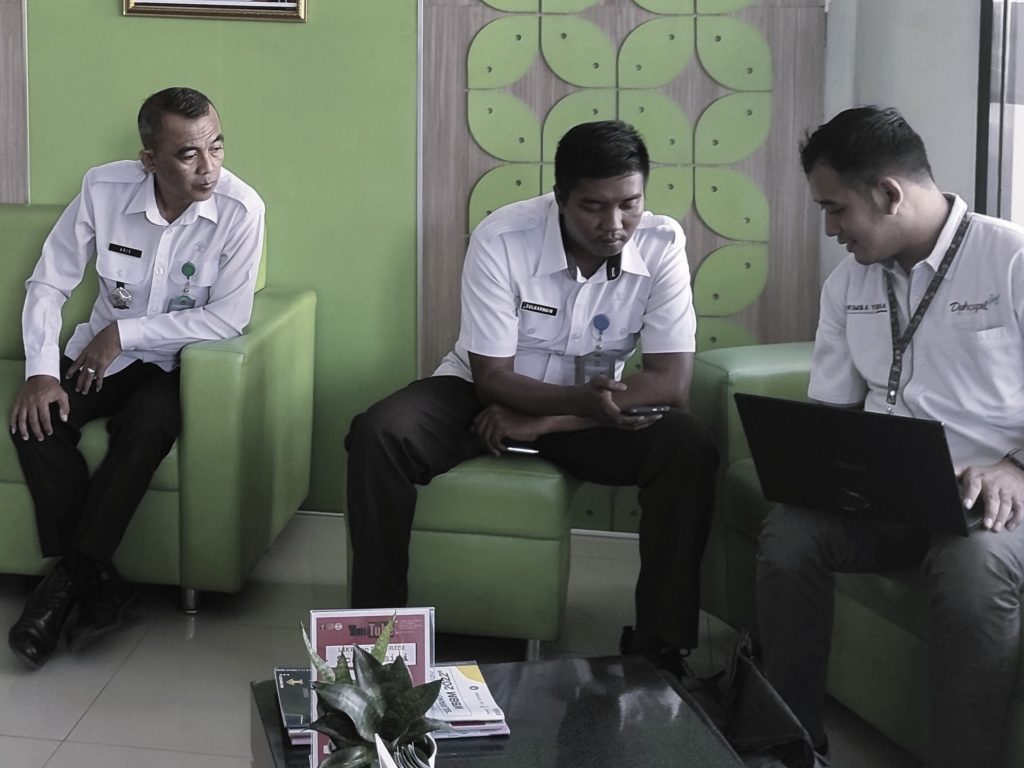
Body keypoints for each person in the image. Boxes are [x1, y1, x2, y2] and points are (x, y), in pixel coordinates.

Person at [345, 120, 718, 674]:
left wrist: (553, 421)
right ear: (560, 197)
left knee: (689, 444)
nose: (614, 224)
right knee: (381, 432)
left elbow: (671, 382)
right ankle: (378, 645)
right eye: (593, 207)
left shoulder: (662, 244)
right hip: (483, 396)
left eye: (629, 204)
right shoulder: (503, 237)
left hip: (587, 407)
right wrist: (571, 405)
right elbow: (490, 377)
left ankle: (659, 650)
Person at [756, 106, 1024, 767]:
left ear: (888, 193)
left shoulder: (1012, 260)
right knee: (790, 534)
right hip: (886, 494)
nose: (830, 229)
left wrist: (1016, 466)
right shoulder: (848, 282)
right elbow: (832, 411)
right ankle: (789, 743)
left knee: (972, 575)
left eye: (835, 208)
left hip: (990, 500)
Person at [7, 86, 266, 668]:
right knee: (36, 422)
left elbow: (228, 317)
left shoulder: (241, 210)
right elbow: (50, 281)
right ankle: (99, 583)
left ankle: (63, 588)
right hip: (104, 359)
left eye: (216, 147)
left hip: (177, 362)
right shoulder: (103, 189)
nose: (209, 168)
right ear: (149, 159)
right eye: (188, 155)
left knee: (146, 427)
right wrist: (42, 371)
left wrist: (126, 333)